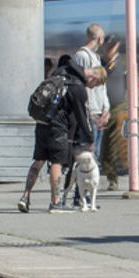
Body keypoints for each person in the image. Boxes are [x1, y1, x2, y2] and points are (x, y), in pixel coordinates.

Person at [18, 56, 92, 214]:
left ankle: (25, 196)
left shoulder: (55, 78)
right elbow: (82, 116)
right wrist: (89, 137)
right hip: (58, 128)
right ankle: (55, 202)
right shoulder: (75, 86)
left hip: (42, 123)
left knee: (38, 161)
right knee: (56, 163)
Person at [73, 25, 111, 189]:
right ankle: (80, 196)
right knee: (87, 156)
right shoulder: (82, 56)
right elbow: (81, 86)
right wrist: (88, 112)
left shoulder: (94, 57)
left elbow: (101, 87)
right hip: (90, 113)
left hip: (98, 112)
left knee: (94, 157)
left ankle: (87, 195)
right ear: (100, 39)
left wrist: (105, 109)